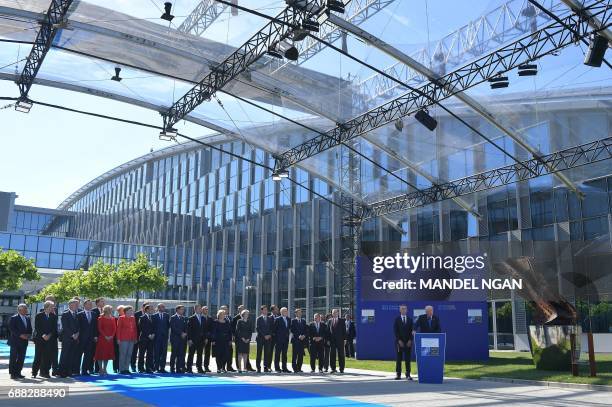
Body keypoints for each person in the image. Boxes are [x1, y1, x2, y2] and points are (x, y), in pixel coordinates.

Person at [32, 300, 57, 379]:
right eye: (51, 307)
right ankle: (34, 372)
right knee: (38, 356)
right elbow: (37, 327)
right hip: (40, 339)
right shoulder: (39, 315)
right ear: (47, 307)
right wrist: (43, 335)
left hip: (49, 340)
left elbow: (54, 328)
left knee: (47, 357)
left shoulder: (53, 316)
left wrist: (49, 335)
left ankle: (46, 372)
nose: (53, 308)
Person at [8, 304, 32, 380]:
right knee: (13, 358)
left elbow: (30, 328)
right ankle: (13, 374)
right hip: (15, 342)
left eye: (26, 308)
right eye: (25, 309)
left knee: (21, 358)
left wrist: (28, 335)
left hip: (24, 342)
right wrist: (20, 335)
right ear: (19, 310)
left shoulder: (27, 318)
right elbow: (12, 329)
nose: (26, 310)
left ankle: (18, 372)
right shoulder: (14, 318)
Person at [58, 298, 80, 377]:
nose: (77, 306)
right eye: (75, 304)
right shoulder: (65, 314)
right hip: (67, 338)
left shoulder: (77, 314)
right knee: (65, 355)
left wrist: (77, 334)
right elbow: (65, 327)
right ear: (70, 305)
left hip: (75, 339)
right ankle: (61, 372)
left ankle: (69, 371)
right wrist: (72, 335)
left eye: (77, 304)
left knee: (71, 355)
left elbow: (79, 326)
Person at [77, 299, 98, 376]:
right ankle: (76, 370)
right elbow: (77, 327)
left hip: (90, 338)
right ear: (84, 305)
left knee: (88, 355)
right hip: (81, 339)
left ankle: (84, 370)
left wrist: (95, 336)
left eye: (91, 304)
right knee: (78, 355)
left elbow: (95, 326)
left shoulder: (94, 314)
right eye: (88, 304)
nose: (90, 306)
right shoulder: (79, 314)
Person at [94, 305, 116, 375]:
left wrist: (111, 336)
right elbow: (100, 328)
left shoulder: (112, 318)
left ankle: (105, 369)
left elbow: (114, 328)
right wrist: (105, 336)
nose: (110, 311)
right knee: (101, 354)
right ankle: (100, 369)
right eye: (109, 309)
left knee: (107, 354)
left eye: (111, 309)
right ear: (106, 310)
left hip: (110, 339)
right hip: (102, 339)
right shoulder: (100, 318)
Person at [394, 304, 414, 380]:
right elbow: (396, 331)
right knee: (399, 359)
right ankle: (398, 374)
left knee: (407, 359)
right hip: (399, 343)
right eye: (402, 309)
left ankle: (408, 374)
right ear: (400, 310)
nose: (403, 310)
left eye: (405, 309)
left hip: (408, 343)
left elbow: (412, 331)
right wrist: (399, 340)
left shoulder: (410, 319)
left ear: (407, 310)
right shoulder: (397, 319)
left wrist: (410, 340)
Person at [116, 305, 137, 375]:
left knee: (129, 354)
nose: (131, 312)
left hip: (131, 339)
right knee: (123, 354)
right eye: (130, 310)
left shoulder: (133, 318)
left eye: (132, 310)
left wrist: (135, 338)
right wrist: (118, 339)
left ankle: (127, 368)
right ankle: (121, 369)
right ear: (126, 311)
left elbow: (134, 329)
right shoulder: (121, 318)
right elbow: (118, 329)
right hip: (123, 339)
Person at [187, 304, 207, 374]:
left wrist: (205, 338)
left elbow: (205, 330)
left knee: (200, 354)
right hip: (193, 340)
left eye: (200, 308)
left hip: (201, 340)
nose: (200, 309)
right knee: (191, 354)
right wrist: (189, 339)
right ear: (195, 309)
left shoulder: (203, 318)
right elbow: (189, 330)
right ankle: (189, 368)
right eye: (199, 308)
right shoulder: (191, 318)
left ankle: (199, 368)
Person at [211, 309, 231, 373]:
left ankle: (223, 367)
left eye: (224, 314)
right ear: (219, 315)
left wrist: (230, 339)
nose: (223, 315)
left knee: (225, 354)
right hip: (218, 341)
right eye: (222, 314)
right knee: (218, 355)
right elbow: (213, 332)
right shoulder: (215, 322)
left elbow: (229, 332)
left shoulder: (227, 322)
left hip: (225, 340)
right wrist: (213, 340)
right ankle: (219, 368)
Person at [138, 304, 156, 373]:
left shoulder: (153, 317)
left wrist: (153, 334)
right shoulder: (142, 317)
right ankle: (141, 368)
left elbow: (155, 327)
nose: (153, 310)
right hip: (144, 338)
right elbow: (142, 328)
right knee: (141, 354)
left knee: (150, 354)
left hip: (151, 339)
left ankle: (148, 368)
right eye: (151, 309)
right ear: (147, 310)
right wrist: (148, 335)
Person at [152, 302, 170, 373]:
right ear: (158, 308)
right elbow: (153, 326)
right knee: (156, 352)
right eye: (162, 307)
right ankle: (156, 367)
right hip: (157, 337)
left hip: (164, 337)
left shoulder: (167, 315)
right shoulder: (154, 316)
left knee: (164, 353)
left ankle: (162, 367)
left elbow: (168, 325)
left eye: (164, 307)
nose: (163, 308)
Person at [170, 304, 188, 373]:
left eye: (183, 309)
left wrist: (185, 333)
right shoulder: (173, 317)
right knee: (174, 354)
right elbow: (173, 328)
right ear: (177, 310)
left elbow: (186, 327)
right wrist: (181, 333)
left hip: (182, 339)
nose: (183, 310)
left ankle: (178, 368)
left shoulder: (184, 318)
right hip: (175, 339)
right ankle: (172, 368)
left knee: (181, 354)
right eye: (181, 309)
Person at [327, 308, 346, 374]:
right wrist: (328, 340)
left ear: (338, 313)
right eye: (333, 312)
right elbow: (328, 332)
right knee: (332, 355)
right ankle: (333, 368)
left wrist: (344, 339)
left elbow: (344, 331)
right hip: (332, 341)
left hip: (340, 340)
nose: (334, 313)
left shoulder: (342, 321)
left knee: (341, 355)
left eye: (336, 312)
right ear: (331, 314)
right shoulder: (329, 321)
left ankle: (342, 369)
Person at [255, 305, 273, 372]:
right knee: (259, 353)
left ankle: (265, 367)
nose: (266, 311)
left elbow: (272, 328)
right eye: (264, 310)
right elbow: (258, 328)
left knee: (267, 353)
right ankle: (258, 367)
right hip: (260, 338)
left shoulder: (270, 319)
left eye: (266, 310)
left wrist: (269, 335)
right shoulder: (258, 319)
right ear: (261, 311)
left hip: (268, 339)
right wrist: (264, 335)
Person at [131, 302, 148, 372]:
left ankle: (141, 367)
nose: (148, 309)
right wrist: (134, 336)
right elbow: (134, 326)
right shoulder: (137, 314)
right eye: (146, 307)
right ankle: (133, 366)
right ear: (143, 307)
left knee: (142, 352)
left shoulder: (150, 314)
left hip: (145, 337)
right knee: (134, 352)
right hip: (137, 336)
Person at [273, 307, 291, 373]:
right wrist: (276, 339)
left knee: (284, 354)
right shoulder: (277, 319)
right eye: (284, 311)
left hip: (286, 340)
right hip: (278, 340)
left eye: (286, 311)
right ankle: (277, 368)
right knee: (277, 354)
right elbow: (274, 330)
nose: (286, 312)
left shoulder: (289, 319)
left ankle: (284, 368)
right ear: (281, 312)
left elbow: (288, 329)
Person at [290, 308, 308, 373]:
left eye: (301, 312)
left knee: (300, 355)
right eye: (298, 312)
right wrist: (298, 336)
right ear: (296, 313)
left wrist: (304, 335)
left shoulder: (303, 321)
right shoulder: (293, 321)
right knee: (295, 355)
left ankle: (299, 368)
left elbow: (306, 330)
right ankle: (295, 368)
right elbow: (292, 330)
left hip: (302, 340)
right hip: (295, 340)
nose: (300, 313)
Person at [235, 309, 252, 373]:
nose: (247, 315)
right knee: (240, 354)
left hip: (247, 340)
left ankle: (245, 368)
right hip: (240, 340)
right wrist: (242, 338)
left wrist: (248, 338)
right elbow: (238, 331)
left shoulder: (249, 321)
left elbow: (250, 331)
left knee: (245, 354)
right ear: (243, 314)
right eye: (246, 314)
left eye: (248, 314)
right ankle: (239, 368)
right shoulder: (239, 321)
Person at [220, 305, 235, 372]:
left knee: (230, 352)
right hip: (223, 339)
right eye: (224, 309)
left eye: (226, 309)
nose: (226, 310)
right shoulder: (220, 318)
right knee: (224, 353)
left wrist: (232, 336)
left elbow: (232, 328)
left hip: (229, 338)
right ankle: (223, 367)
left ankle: (229, 366)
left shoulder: (230, 317)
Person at [91, 297, 105, 373]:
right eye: (102, 301)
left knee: (101, 352)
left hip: (104, 336)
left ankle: (98, 368)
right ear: (97, 303)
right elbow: (93, 325)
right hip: (96, 336)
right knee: (94, 352)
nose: (103, 303)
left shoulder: (105, 311)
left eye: (104, 301)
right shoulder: (93, 311)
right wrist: (95, 335)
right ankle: (91, 368)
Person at [113, 305, 124, 373]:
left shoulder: (127, 318)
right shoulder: (115, 318)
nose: (123, 311)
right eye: (122, 310)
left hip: (124, 338)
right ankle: (115, 367)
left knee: (123, 354)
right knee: (116, 353)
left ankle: (122, 367)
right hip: (116, 338)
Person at [202, 306, 213, 372]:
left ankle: (206, 366)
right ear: (202, 310)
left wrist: (208, 336)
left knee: (207, 353)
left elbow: (211, 328)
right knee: (200, 353)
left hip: (208, 338)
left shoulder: (210, 318)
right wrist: (204, 337)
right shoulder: (200, 317)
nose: (206, 310)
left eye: (207, 309)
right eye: (205, 309)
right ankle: (199, 366)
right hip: (201, 338)